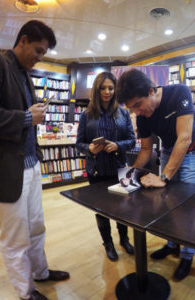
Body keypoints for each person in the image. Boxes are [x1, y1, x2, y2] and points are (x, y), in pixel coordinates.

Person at [0, 20, 69, 300]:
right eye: (38, 50)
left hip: (31, 165)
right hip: (5, 170)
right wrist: (26, 117)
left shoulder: (24, 74)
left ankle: (40, 272)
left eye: (44, 53)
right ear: (22, 40)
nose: (40, 57)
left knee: (36, 226)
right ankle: (25, 293)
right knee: (15, 237)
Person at [116, 68, 195, 281]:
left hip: (191, 153)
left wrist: (163, 177)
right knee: (169, 205)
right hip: (166, 152)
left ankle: (187, 255)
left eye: (138, 104)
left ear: (152, 91)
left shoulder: (180, 92)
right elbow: (146, 150)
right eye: (131, 108)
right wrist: (131, 173)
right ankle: (172, 244)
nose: (137, 112)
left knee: (187, 207)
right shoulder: (143, 116)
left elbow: (184, 137)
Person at [76, 72, 136, 262]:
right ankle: (108, 243)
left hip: (119, 167)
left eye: (111, 88)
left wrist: (118, 145)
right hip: (96, 169)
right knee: (101, 209)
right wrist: (90, 149)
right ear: (97, 89)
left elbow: (132, 141)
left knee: (122, 208)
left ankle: (124, 239)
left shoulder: (124, 113)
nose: (107, 91)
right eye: (103, 88)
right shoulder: (86, 115)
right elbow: (79, 144)